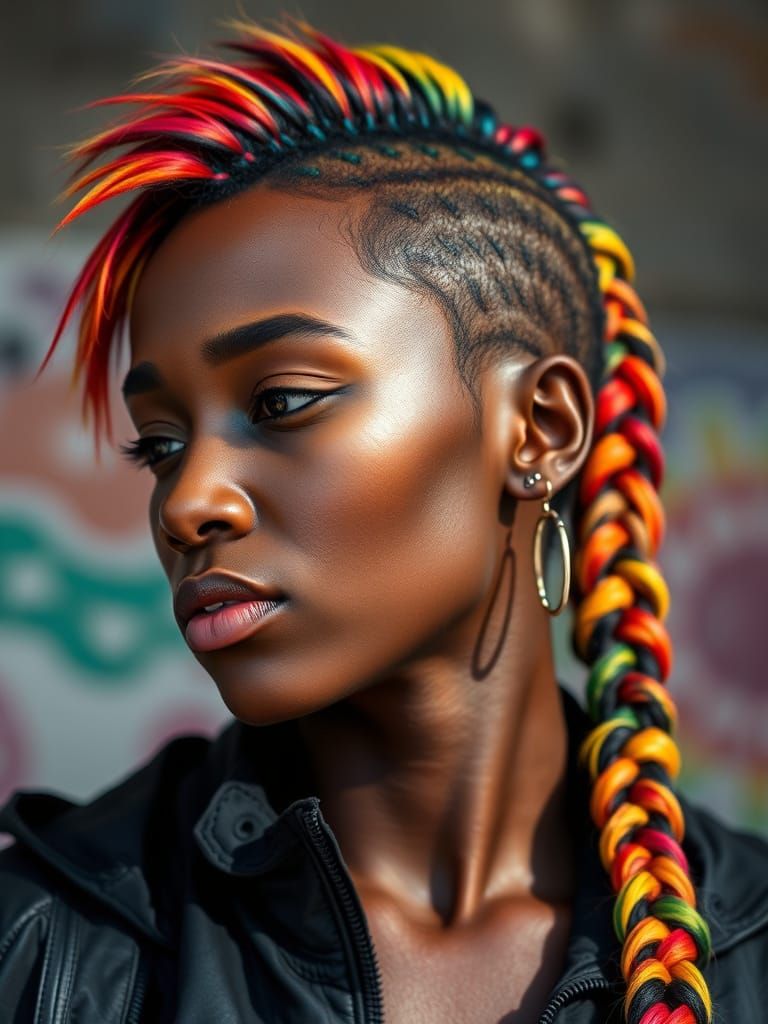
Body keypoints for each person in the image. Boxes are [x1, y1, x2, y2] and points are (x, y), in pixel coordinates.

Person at [0, 16, 766, 1024]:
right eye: (161, 443)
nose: (188, 503)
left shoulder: (742, 952)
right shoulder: (47, 944)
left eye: (281, 402)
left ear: (539, 430)